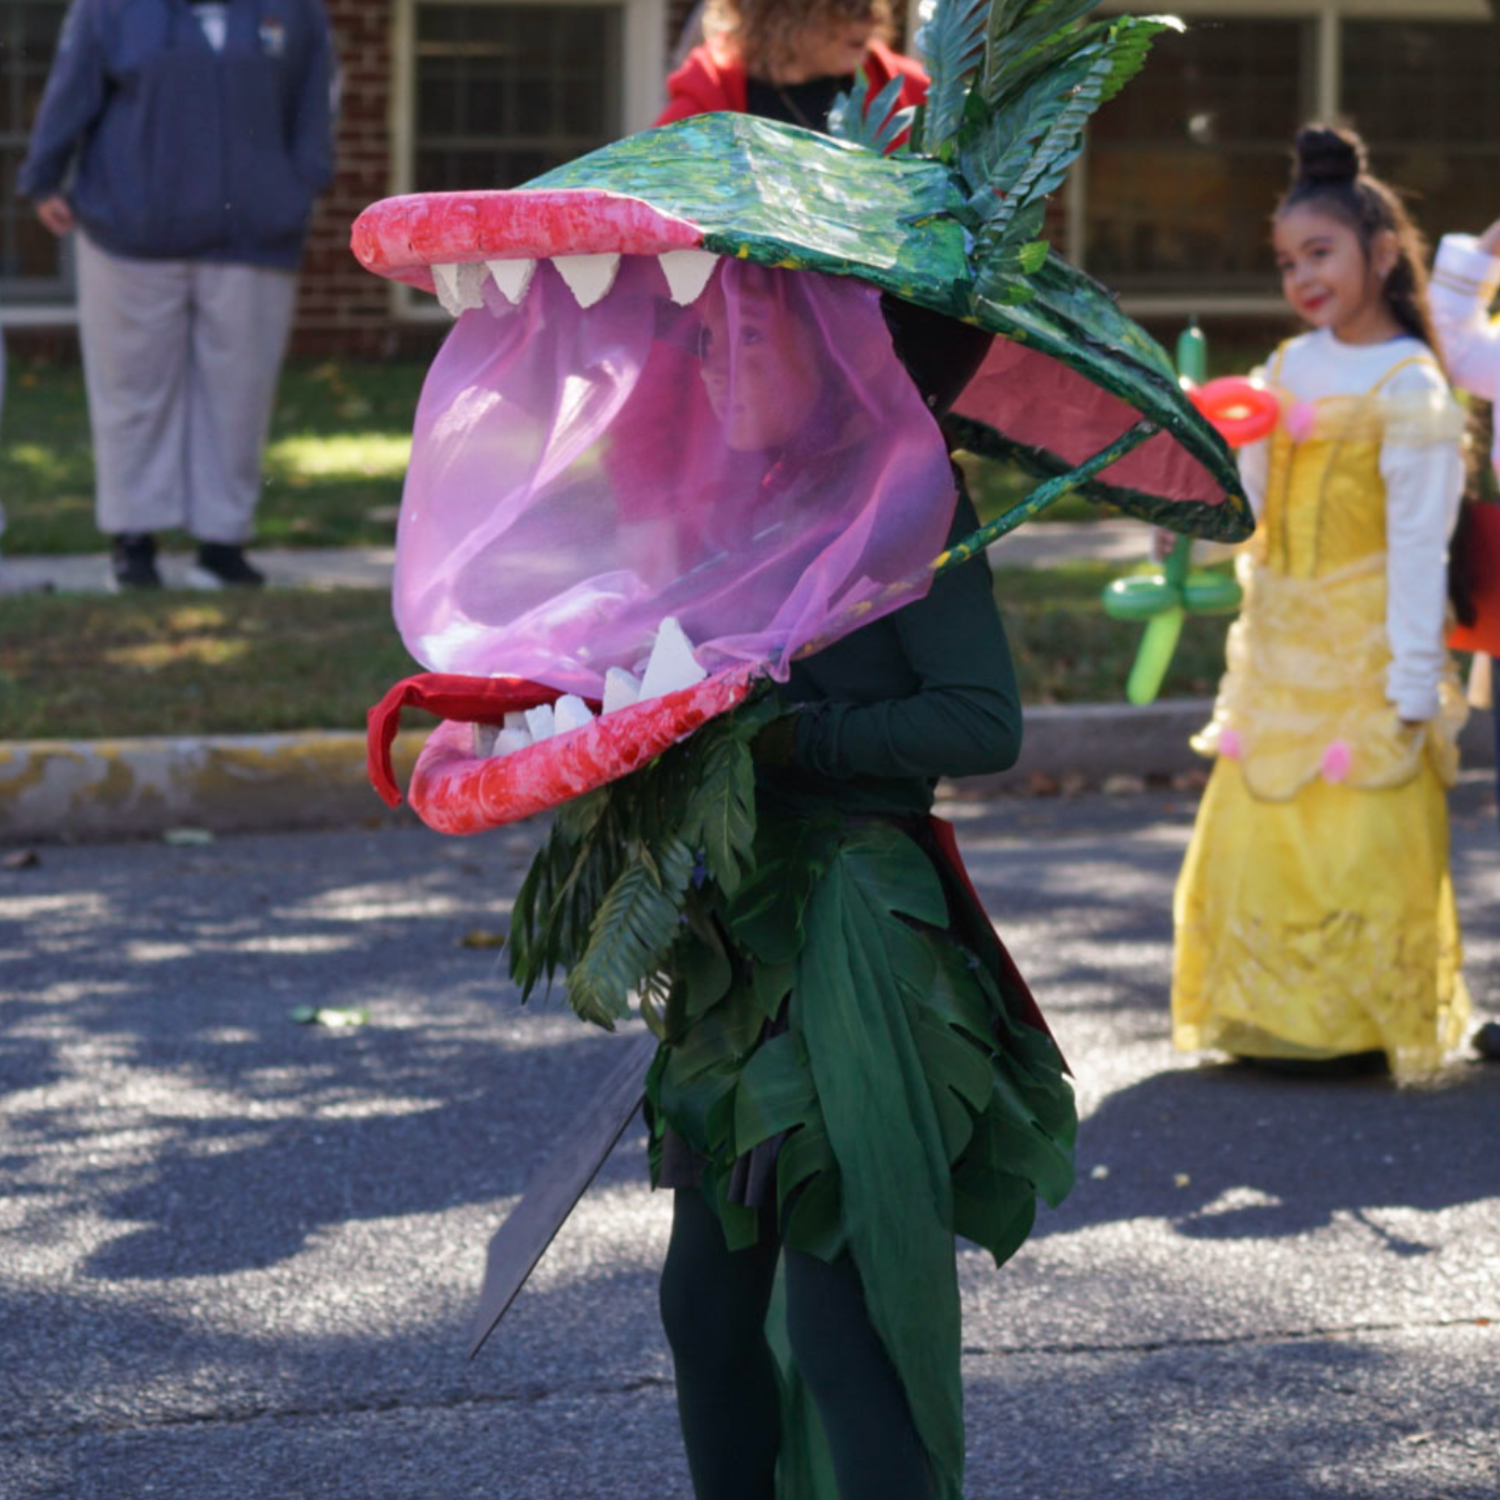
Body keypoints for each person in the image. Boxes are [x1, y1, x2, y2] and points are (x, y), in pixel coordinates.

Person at [1172, 124, 1471, 1077]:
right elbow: (1248, 505)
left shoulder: (1412, 385)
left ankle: (1350, 1023)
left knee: (1356, 830)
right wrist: (1191, 499)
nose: (1301, 276)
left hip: (1368, 645)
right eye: (1287, 261)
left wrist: (1415, 679)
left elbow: (1421, 547)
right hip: (1279, 638)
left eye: (1320, 253)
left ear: (1381, 254)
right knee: (1267, 821)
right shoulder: (1289, 366)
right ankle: (1266, 1013)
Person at [18, 0, 337, 591]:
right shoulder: (108, 9)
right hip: (129, 230)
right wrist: (44, 176)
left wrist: (298, 189)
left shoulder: (296, 11)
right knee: (132, 390)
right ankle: (134, 543)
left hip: (254, 232)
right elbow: (71, 88)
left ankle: (222, 544)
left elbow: (313, 104)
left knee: (239, 392)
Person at [657, 0, 926, 135]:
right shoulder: (704, 106)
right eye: (849, 4)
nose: (873, 18)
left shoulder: (916, 92)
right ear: (783, 11)